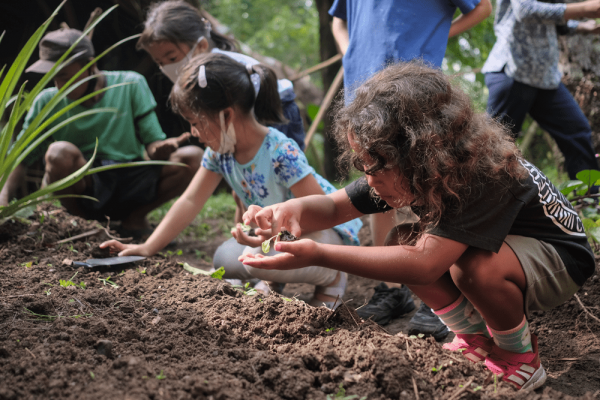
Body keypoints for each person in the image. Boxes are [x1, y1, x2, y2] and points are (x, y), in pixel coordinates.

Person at [239, 62, 595, 391]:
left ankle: (519, 356)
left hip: (560, 260)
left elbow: (424, 264)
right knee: (402, 238)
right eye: (362, 165)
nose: (369, 178)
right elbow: (334, 207)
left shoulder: (483, 175)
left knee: (472, 269)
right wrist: (288, 209)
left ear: (421, 153)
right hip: (512, 248)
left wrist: (319, 254)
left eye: (374, 167)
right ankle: (475, 337)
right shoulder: (398, 166)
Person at [100, 53, 362, 309]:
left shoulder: (280, 151)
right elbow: (190, 200)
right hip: (276, 238)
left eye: (195, 122)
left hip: (324, 235)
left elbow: (320, 210)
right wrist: (147, 247)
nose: (193, 132)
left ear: (226, 115)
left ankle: (332, 277)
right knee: (226, 259)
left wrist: (268, 237)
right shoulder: (219, 153)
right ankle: (271, 280)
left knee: (251, 258)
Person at [328, 0, 492, 338]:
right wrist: (351, 52)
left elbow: (482, 7)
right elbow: (338, 21)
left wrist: (443, 36)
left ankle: (439, 292)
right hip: (363, 89)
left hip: (413, 91)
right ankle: (392, 289)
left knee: (428, 175)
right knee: (377, 181)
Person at [0, 28, 202, 239]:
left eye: (65, 77)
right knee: (58, 151)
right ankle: (84, 225)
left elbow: (153, 145)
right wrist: (2, 198)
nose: (59, 86)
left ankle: (134, 219)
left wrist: (161, 148)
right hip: (87, 183)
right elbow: (21, 158)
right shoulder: (46, 101)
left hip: (131, 176)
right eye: (53, 79)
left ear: (91, 65)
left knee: (193, 158)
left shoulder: (130, 84)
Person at [137, 0, 307, 226]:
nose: (167, 66)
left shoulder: (219, 73)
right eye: (160, 62)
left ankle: (291, 226)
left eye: (171, 58)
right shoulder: (198, 79)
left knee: (283, 180)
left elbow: (248, 111)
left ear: (200, 46)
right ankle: (257, 230)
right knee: (250, 185)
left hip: (273, 109)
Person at [482, 0, 600, 181]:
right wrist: (584, 8)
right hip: (512, 72)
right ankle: (477, 203)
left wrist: (583, 26)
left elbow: (551, 22)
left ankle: (589, 201)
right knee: (494, 149)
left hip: (545, 78)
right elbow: (526, 10)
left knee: (577, 132)